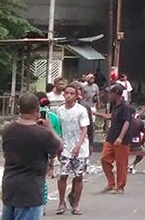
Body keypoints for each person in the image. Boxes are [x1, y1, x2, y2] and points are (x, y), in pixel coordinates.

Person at [1, 92, 64, 220]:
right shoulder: (42, 134)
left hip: (10, 186)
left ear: (19, 109)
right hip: (31, 190)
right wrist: (50, 128)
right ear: (37, 109)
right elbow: (59, 147)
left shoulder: (8, 130)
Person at [56, 84, 90, 215]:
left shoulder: (81, 110)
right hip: (65, 147)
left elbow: (84, 130)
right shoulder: (60, 110)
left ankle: (75, 204)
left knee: (78, 176)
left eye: (71, 93)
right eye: (66, 93)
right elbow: (58, 128)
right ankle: (61, 202)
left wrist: (78, 146)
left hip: (80, 149)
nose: (68, 95)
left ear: (76, 96)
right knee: (63, 175)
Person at [97, 83, 134, 194]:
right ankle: (111, 183)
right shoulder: (115, 105)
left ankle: (120, 187)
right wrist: (96, 114)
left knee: (121, 164)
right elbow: (111, 117)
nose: (109, 95)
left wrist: (120, 137)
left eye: (111, 93)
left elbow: (127, 122)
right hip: (111, 137)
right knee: (104, 159)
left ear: (116, 93)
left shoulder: (125, 106)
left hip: (121, 139)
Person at [79, 75, 99, 149]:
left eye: (93, 78)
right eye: (91, 78)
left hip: (93, 105)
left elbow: (97, 95)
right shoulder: (85, 87)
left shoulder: (95, 86)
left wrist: (98, 103)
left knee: (91, 121)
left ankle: (90, 132)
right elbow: (82, 95)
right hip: (86, 105)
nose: (92, 80)